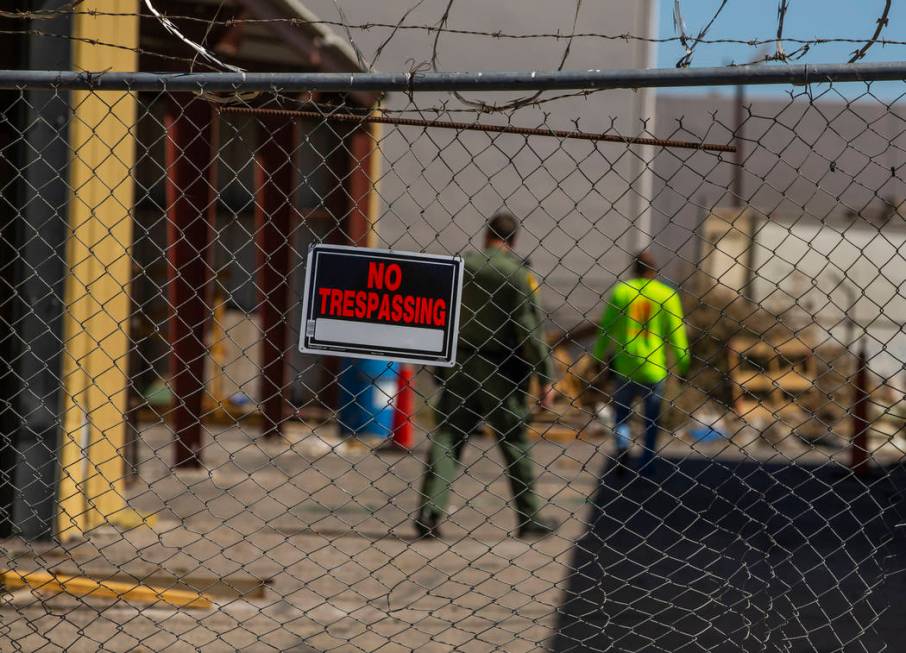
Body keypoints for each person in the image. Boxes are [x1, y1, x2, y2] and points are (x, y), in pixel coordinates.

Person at [415, 211, 559, 539]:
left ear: (486, 236)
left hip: (460, 364)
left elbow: (442, 315)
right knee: (514, 441)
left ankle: (430, 511)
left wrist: (440, 364)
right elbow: (529, 331)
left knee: (449, 436)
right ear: (514, 240)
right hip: (499, 370)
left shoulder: (461, 266)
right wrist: (545, 376)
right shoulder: (516, 276)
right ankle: (529, 517)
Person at [593, 251, 690, 475]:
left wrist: (598, 357)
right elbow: (677, 335)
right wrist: (684, 364)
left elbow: (606, 328)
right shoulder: (666, 294)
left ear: (633, 269)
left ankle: (622, 445)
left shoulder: (622, 291)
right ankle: (646, 464)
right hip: (654, 368)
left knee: (621, 414)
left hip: (625, 365)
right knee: (652, 420)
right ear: (654, 270)